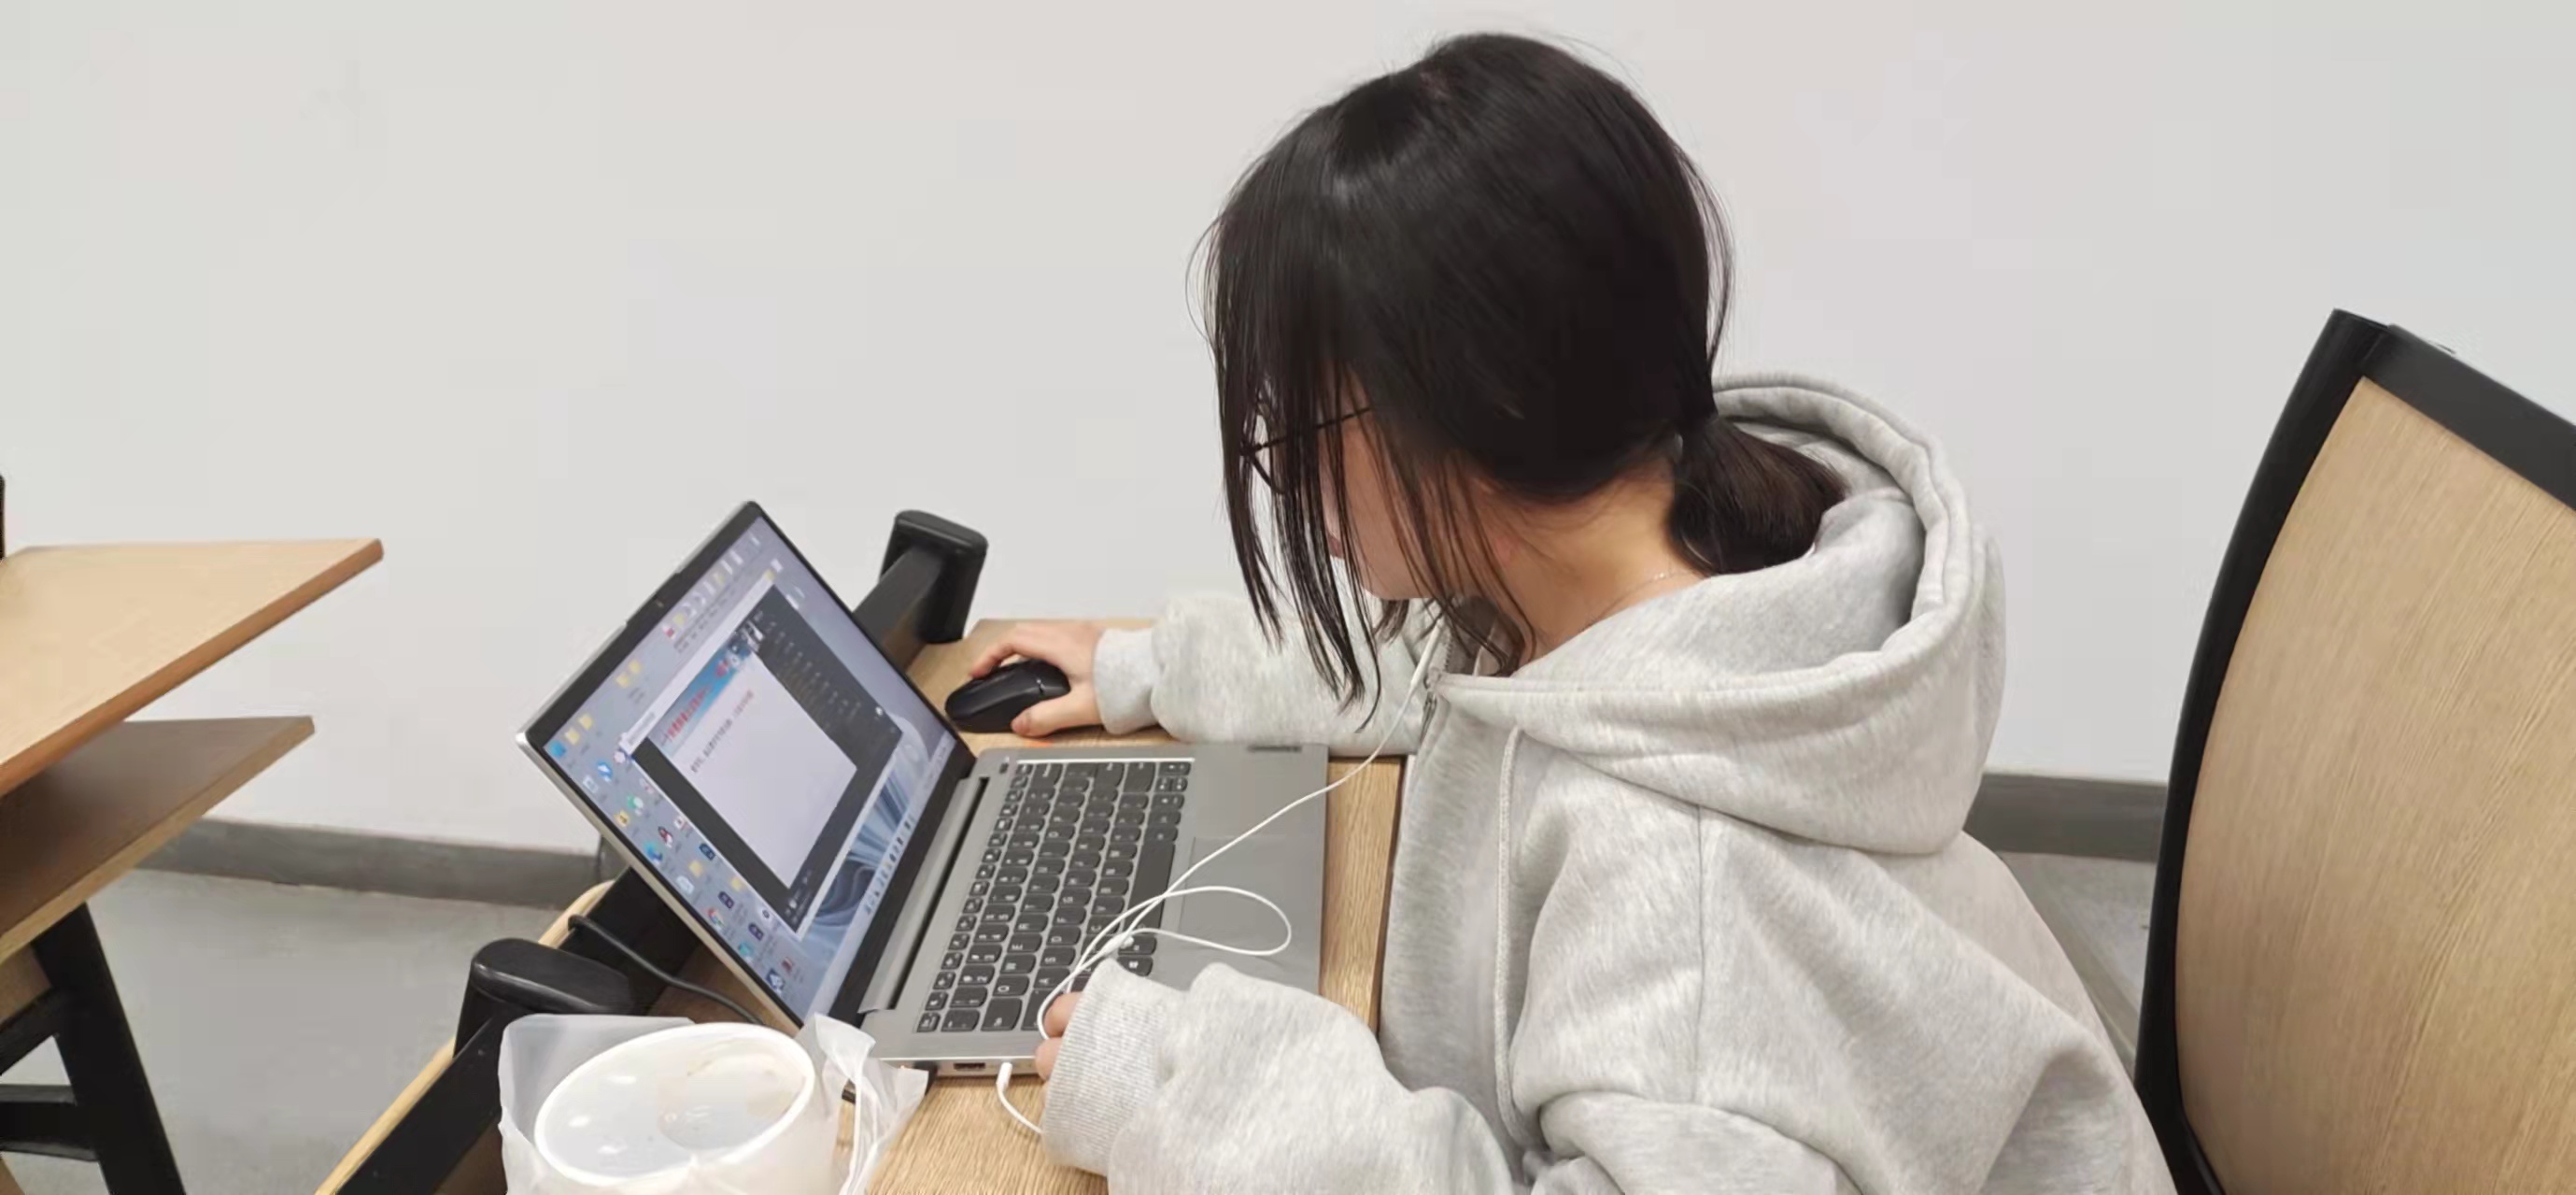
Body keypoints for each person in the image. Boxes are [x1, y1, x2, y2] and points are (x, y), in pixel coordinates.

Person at [971, 33, 2172, 1194]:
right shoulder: (1669, 557)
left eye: (1303, 425)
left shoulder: (1685, 895)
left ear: (1478, 407)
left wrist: (1191, 1096)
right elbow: (1425, 676)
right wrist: (1152, 665)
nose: (1289, 475)